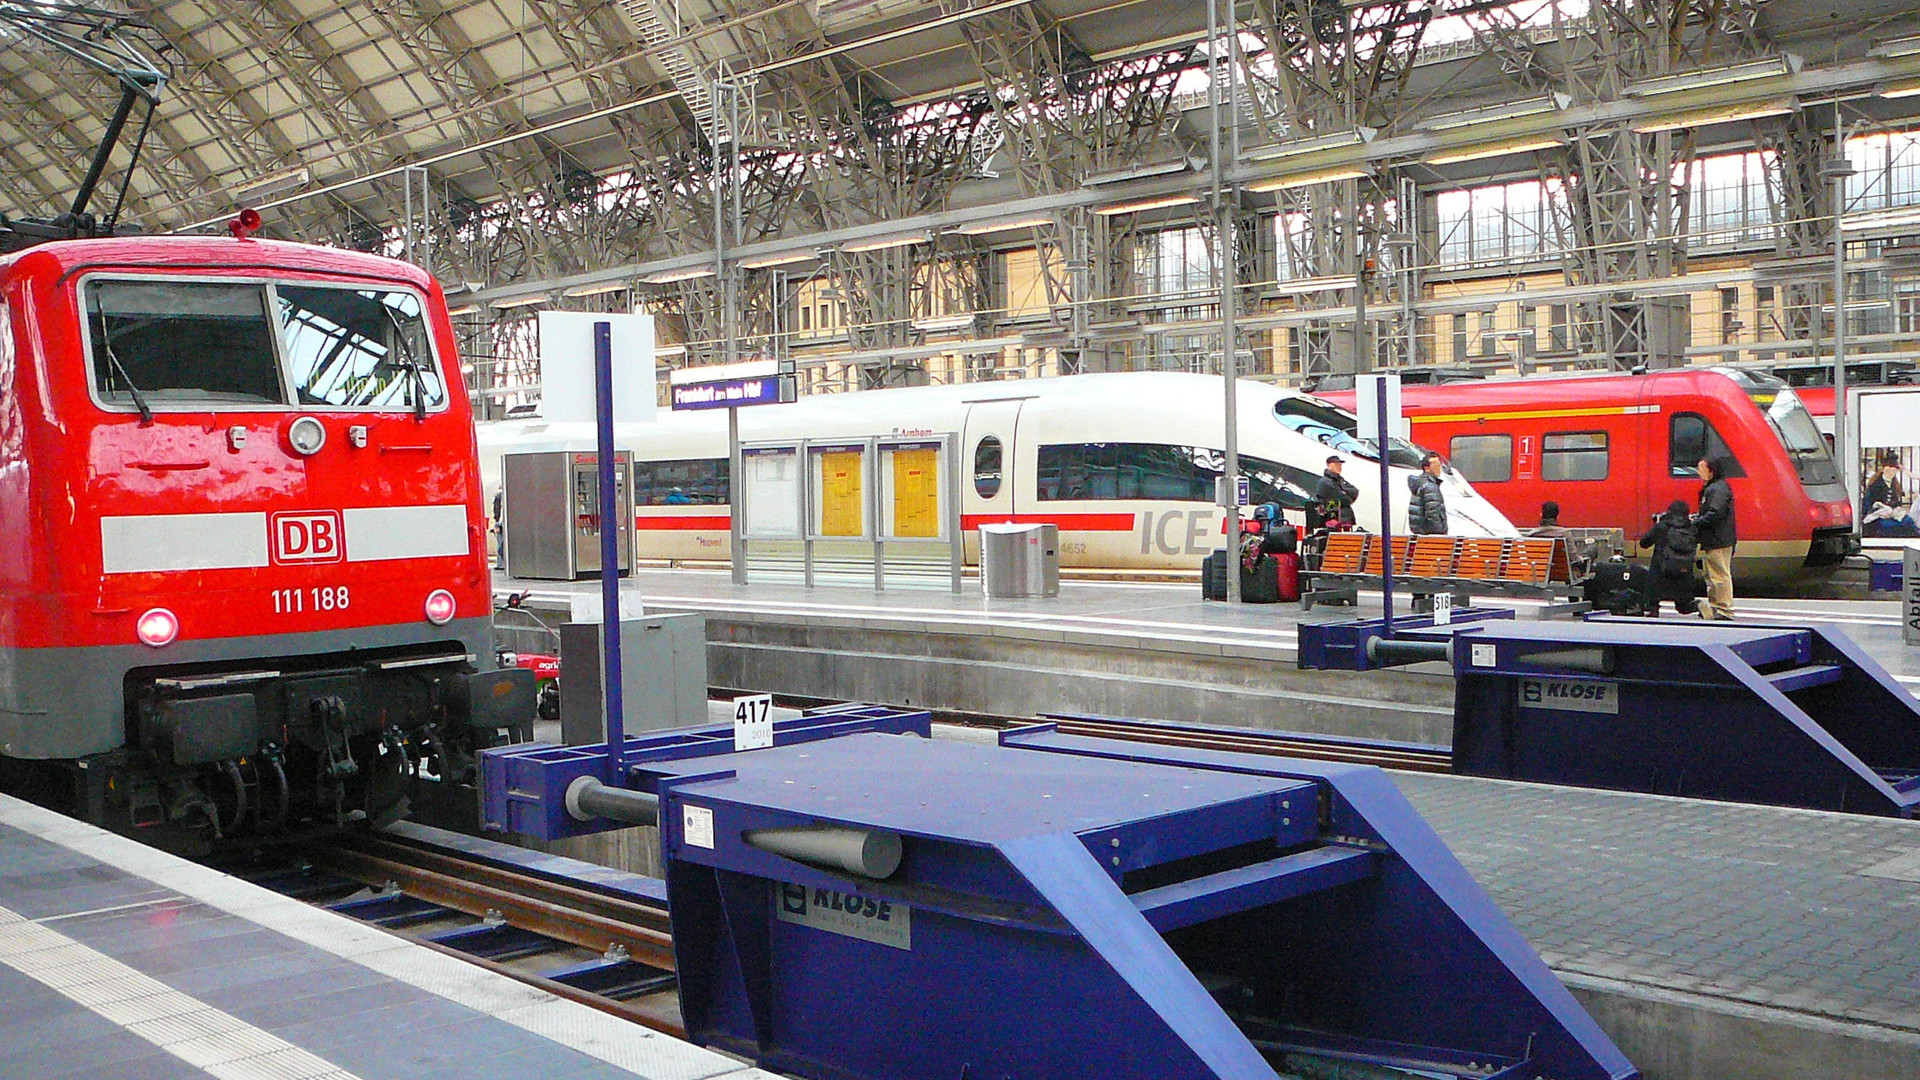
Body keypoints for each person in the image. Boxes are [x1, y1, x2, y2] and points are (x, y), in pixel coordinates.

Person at [1691, 456, 1737, 620]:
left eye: (1701, 468)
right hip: (1715, 537)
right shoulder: (1715, 487)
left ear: (1711, 470)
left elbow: (1715, 513)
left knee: (1719, 574)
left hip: (1718, 538)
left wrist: (1696, 523)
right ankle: (1716, 606)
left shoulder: (1716, 489)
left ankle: (1724, 609)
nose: (1698, 472)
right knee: (1712, 574)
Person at [1638, 499, 1700, 616]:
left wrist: (1656, 525)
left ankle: (1653, 609)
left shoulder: (1662, 526)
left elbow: (1644, 543)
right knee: (1684, 606)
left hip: (1662, 571)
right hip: (1683, 573)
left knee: (1653, 582)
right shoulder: (1692, 529)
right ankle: (1696, 605)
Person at [1864, 453, 1918, 537]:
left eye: (1893, 469)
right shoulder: (1875, 485)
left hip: (1893, 514)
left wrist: (1897, 509)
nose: (1891, 471)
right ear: (1883, 469)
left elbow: (1896, 502)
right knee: (1888, 525)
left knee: (1908, 521)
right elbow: (1869, 504)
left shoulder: (1895, 485)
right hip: (1878, 516)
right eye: (1888, 468)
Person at [1307, 455, 1359, 532]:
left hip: (1344, 520)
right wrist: (1345, 493)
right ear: (1329, 465)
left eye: (1340, 465)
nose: (1339, 467)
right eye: (1336, 464)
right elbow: (1343, 499)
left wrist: (1344, 492)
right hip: (1333, 520)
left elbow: (1355, 491)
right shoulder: (1325, 482)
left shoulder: (1339, 480)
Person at [1407, 452, 1448, 535]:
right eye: (1435, 464)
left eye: (1439, 464)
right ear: (1426, 468)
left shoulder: (1420, 483)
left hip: (1420, 534)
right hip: (1431, 535)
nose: (1439, 467)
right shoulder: (1430, 486)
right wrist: (1441, 533)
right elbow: (1433, 513)